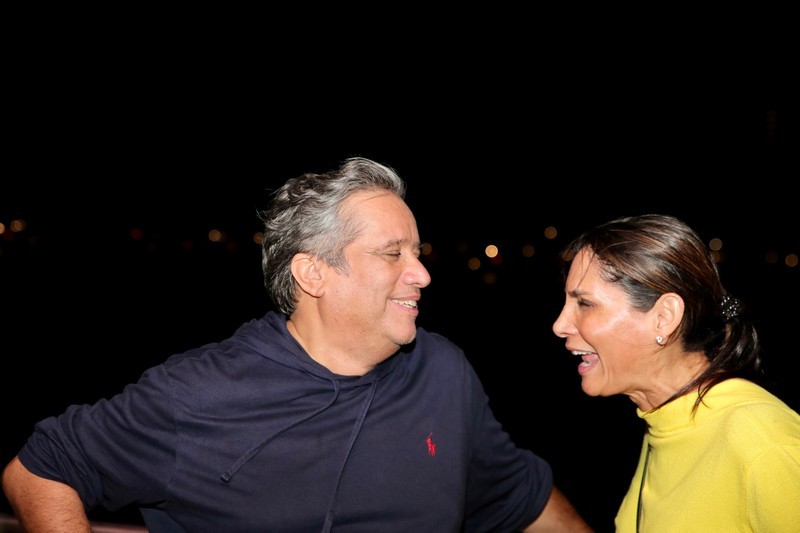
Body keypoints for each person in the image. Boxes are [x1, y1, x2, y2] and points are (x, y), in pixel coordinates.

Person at [3, 157, 593, 532]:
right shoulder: (200, 393)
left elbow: (521, 496)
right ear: (313, 274)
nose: (421, 274)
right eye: (392, 254)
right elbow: (40, 469)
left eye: (417, 253)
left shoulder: (443, 372)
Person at [552, 213, 800, 532]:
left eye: (584, 304)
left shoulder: (765, 444)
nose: (559, 325)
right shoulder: (661, 422)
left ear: (664, 317)